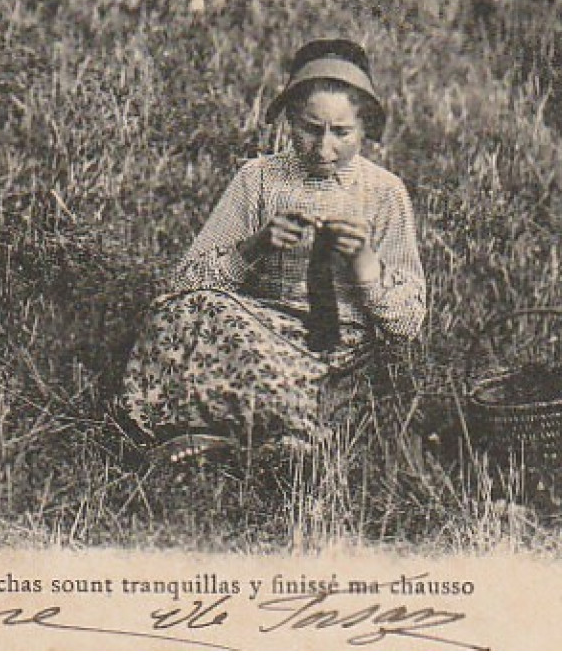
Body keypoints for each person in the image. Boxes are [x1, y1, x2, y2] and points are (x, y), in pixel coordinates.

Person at [118, 39, 426, 461]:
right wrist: (254, 246)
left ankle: (243, 438)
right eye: (309, 129)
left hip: (335, 352)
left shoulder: (383, 192)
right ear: (288, 120)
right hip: (255, 331)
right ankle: (228, 438)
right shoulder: (260, 178)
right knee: (176, 313)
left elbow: (409, 321)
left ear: (365, 128)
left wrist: (365, 264)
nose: (323, 148)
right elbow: (183, 282)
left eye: (342, 133)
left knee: (292, 382)